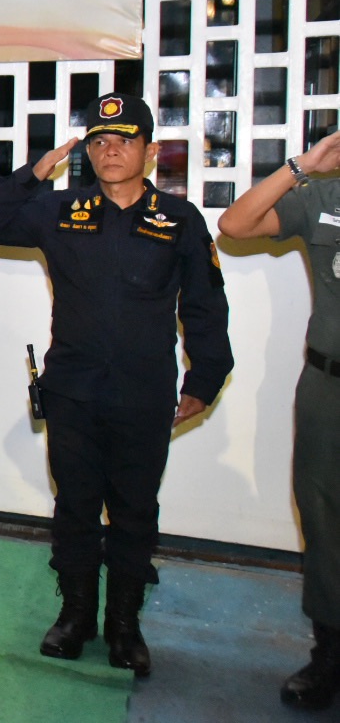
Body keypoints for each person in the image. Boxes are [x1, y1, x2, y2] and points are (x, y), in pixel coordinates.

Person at [0, 93, 233, 678]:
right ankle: (76, 615)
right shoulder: (62, 209)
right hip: (73, 389)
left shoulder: (179, 219)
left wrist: (205, 379)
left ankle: (124, 624)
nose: (111, 151)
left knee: (135, 509)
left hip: (144, 391)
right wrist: (35, 172)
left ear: (149, 151)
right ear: (87, 152)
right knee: (76, 505)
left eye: (124, 140)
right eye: (99, 141)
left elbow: (206, 305)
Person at [218, 129, 340, 709]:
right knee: (324, 520)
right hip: (328, 387)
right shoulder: (324, 197)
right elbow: (235, 224)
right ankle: (330, 655)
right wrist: (303, 165)